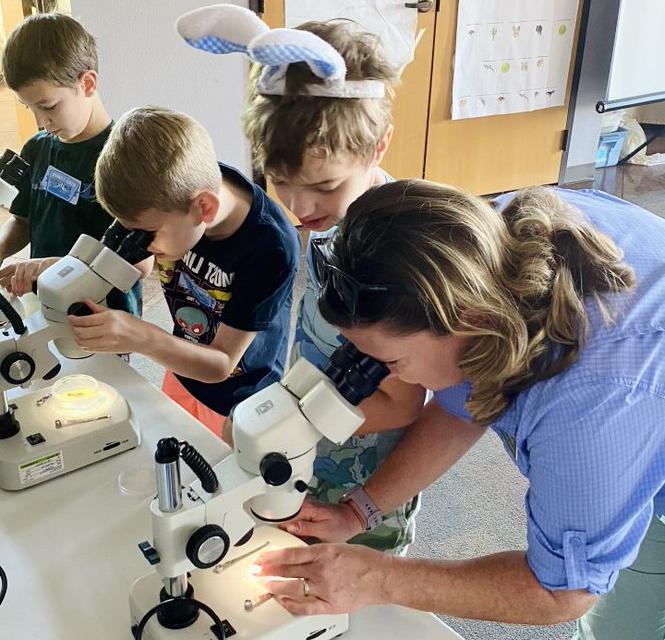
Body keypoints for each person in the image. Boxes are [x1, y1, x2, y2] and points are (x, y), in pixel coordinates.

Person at [255, 180, 665, 639]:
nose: (391, 379)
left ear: (471, 320)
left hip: (635, 398)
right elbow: (462, 406)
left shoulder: (591, 407)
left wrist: (376, 577)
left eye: (392, 362)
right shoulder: (479, 250)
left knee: (630, 619)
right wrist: (357, 513)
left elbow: (562, 594)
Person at [236, 12, 427, 554]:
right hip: (311, 445)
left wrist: (299, 426)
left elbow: (404, 403)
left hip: (364, 478)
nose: (298, 208)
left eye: (323, 185)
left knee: (356, 586)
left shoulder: (391, 257)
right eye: (280, 182)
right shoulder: (333, 224)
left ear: (379, 146)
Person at [68, 105, 300, 437]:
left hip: (239, 399)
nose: (144, 245)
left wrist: (140, 336)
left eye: (149, 233)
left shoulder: (270, 247)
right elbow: (140, 264)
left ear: (204, 208)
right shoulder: (178, 192)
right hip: (181, 364)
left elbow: (221, 364)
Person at [0, 13, 149, 311]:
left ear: (88, 83)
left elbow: (140, 264)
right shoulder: (37, 149)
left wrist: (54, 266)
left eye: (48, 106)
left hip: (102, 314)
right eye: (28, 107)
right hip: (47, 303)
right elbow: (22, 220)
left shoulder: (125, 160)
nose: (40, 121)